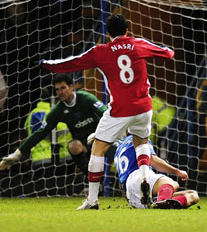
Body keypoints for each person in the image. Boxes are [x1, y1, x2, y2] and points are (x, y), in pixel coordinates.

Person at [39, 14, 174, 210]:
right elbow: (167, 53)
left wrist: (46, 64)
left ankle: (92, 199)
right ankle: (145, 175)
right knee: (141, 143)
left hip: (120, 109)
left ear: (108, 33)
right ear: (127, 31)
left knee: (97, 149)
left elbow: (71, 63)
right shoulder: (138, 44)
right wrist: (169, 50)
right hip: (144, 107)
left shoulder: (101, 51)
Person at [0, 74, 107, 177]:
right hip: (84, 144)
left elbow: (105, 113)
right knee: (73, 146)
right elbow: (39, 133)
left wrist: (101, 133)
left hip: (101, 137)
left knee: (117, 154)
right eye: (57, 89)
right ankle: (94, 181)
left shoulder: (85, 98)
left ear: (71, 87)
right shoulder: (58, 110)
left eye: (63, 88)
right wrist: (16, 155)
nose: (60, 92)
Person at [115, 135, 199, 209]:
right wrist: (176, 171)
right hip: (140, 177)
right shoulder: (139, 137)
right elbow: (152, 160)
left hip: (131, 195)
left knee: (193, 195)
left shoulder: (120, 148)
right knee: (172, 183)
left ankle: (161, 204)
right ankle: (162, 201)